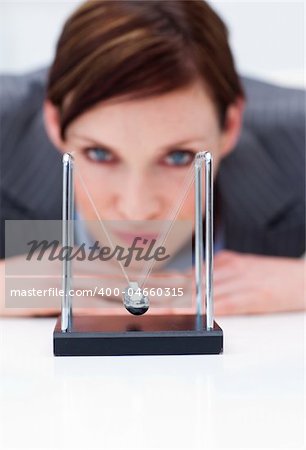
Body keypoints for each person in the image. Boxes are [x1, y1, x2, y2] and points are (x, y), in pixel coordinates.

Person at [0, 0, 305, 317]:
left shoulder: (297, 143)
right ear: (54, 122)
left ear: (230, 125)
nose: (137, 209)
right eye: (100, 154)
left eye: (178, 157)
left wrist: (299, 283)